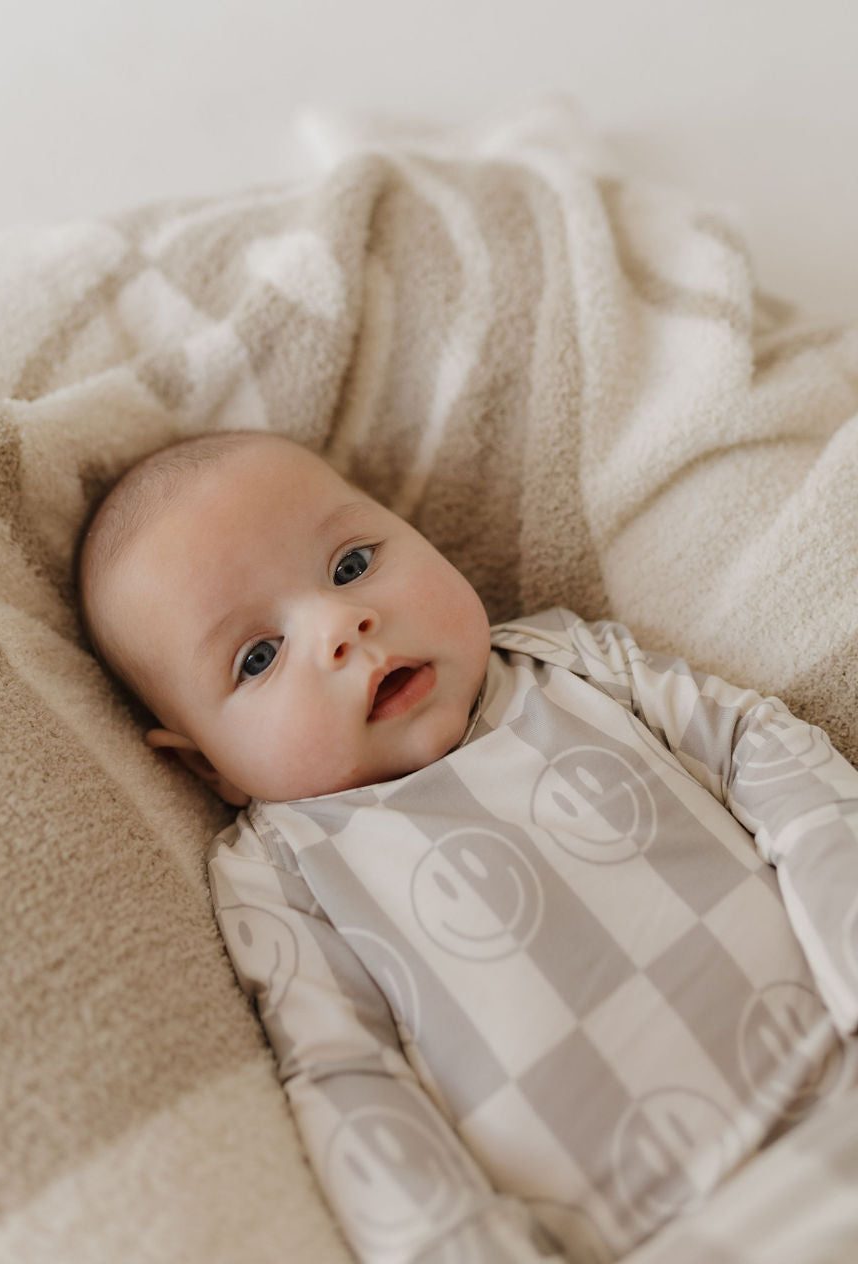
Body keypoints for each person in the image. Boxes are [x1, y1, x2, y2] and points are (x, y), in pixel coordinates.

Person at [78, 429, 858, 1264]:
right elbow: (349, 1080)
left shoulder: (573, 665)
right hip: (662, 1238)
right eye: (259, 656)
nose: (343, 622)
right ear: (210, 764)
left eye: (350, 565)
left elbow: (761, 752)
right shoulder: (281, 872)